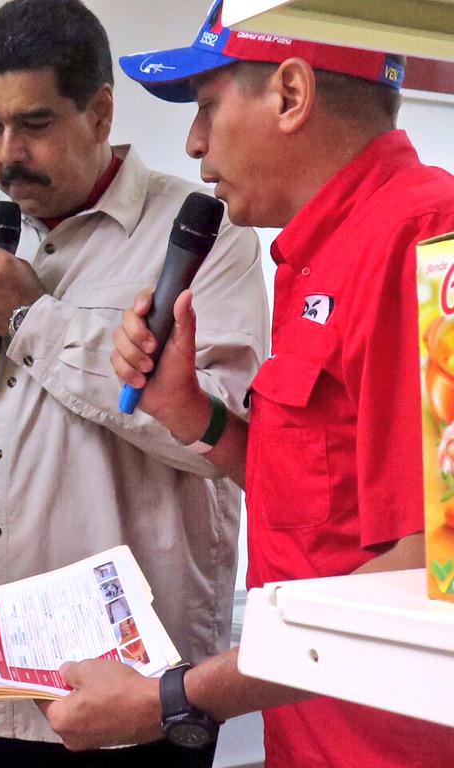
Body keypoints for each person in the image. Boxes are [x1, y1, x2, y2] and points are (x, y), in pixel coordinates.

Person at [0, 0, 269, 765]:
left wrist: (32, 316)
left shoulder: (205, 237)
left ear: (99, 112)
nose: (7, 153)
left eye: (33, 124)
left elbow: (226, 439)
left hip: (133, 697)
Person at [41, 2, 454, 767]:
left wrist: (172, 699)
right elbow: (320, 503)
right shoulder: (313, 258)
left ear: (290, 95)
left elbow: (438, 565)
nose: (194, 145)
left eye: (205, 107)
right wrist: (191, 412)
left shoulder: (426, 239)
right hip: (311, 740)